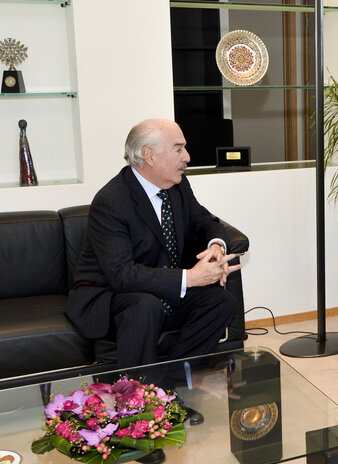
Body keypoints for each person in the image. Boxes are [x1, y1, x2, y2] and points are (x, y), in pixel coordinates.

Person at [67, 118, 241, 371]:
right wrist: (190, 278)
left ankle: (175, 382)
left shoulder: (177, 186)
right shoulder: (111, 201)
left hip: (161, 291)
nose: (187, 157)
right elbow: (121, 275)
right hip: (112, 296)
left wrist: (216, 247)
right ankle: (139, 399)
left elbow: (204, 221)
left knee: (221, 302)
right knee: (144, 306)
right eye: (178, 148)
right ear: (148, 155)